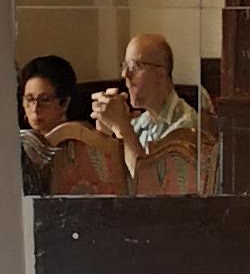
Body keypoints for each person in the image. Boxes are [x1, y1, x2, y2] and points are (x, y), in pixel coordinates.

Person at [91, 31, 209, 182]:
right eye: (125, 66)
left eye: (134, 66)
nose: (125, 74)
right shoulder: (142, 122)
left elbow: (148, 185)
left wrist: (123, 128)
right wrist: (105, 132)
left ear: (161, 74)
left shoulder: (185, 127)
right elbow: (107, 179)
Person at [18, 51, 84, 190]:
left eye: (44, 100)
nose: (35, 108)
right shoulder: (21, 145)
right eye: (29, 99)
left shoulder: (83, 144)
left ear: (64, 103)